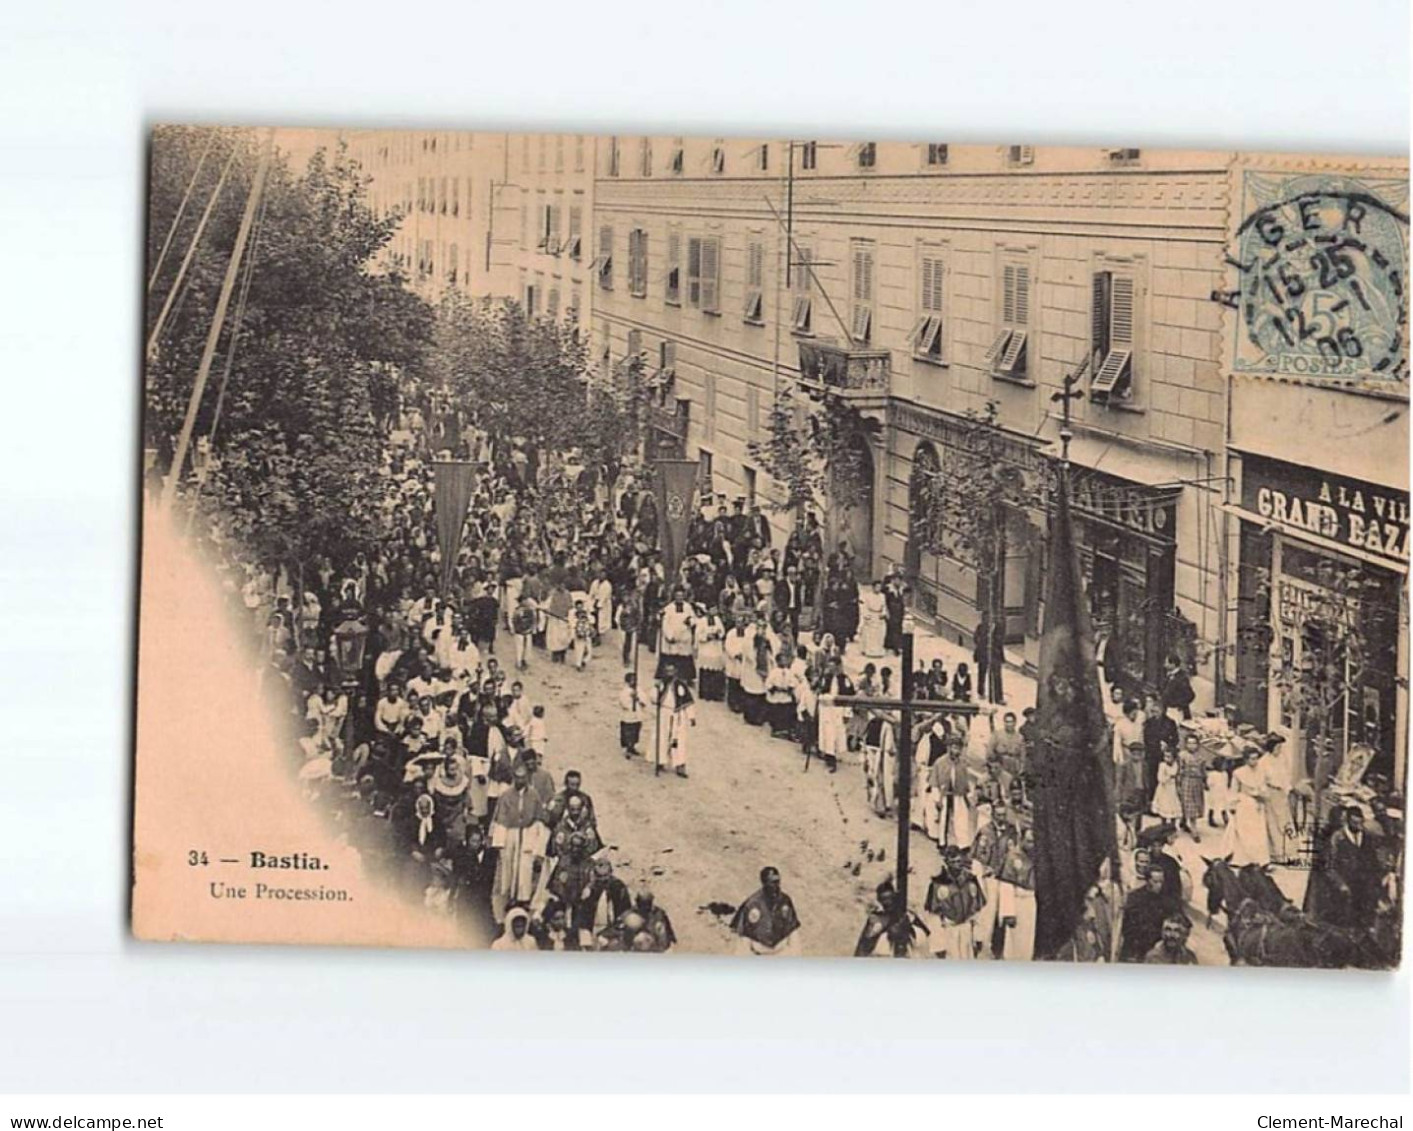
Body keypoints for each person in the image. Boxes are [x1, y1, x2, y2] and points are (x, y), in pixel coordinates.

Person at [488, 761, 547, 923]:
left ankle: (523, 901)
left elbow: (538, 819)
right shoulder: (506, 795)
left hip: (528, 833)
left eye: (523, 778)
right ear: (514, 778)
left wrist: (538, 846)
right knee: (508, 869)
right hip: (510, 834)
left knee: (525, 869)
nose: (520, 781)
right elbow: (500, 820)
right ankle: (509, 900)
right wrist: (500, 844)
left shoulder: (534, 795)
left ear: (527, 778)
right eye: (517, 778)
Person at [924, 848, 987, 960]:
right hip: (949, 930)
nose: (957, 865)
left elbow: (977, 912)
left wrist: (978, 937)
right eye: (953, 862)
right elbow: (934, 917)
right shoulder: (938, 884)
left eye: (959, 861)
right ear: (947, 863)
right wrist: (938, 945)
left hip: (966, 931)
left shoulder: (970, 881)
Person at [730, 866, 803, 957]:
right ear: (764, 883)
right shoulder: (752, 904)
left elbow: (793, 933)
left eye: (777, 882)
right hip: (759, 955)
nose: (775, 886)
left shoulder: (784, 901)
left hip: (781, 952)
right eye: (772, 882)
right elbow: (744, 939)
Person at [1222, 745, 1273, 867]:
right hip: (1244, 804)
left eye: (1256, 758)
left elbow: (1265, 786)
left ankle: (1261, 861)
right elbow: (1234, 790)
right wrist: (1232, 805)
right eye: (1251, 759)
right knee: (1244, 832)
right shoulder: (1238, 773)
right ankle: (1242, 859)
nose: (1254, 762)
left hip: (1258, 805)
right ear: (1245, 760)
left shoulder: (1262, 771)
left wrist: (1262, 794)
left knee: (1259, 833)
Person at [1119, 868, 1176, 963]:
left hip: (1157, 947)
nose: (1159, 885)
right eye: (1156, 882)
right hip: (1135, 948)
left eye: (1161, 882)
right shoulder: (1134, 897)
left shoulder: (1167, 900)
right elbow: (1127, 926)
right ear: (1147, 880)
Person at [997, 828, 1036, 960]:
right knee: (1016, 941)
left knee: (1030, 940)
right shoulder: (1013, 857)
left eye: (1034, 842)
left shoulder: (1038, 855)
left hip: (1032, 902)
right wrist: (1009, 913)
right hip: (1018, 902)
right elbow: (1006, 886)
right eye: (1029, 842)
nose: (1032, 845)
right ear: (1021, 839)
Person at [653, 663, 697, 778]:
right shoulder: (661, 684)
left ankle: (680, 765)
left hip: (678, 715)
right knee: (662, 738)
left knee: (678, 741)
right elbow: (653, 699)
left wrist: (691, 716)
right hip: (664, 713)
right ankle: (660, 761)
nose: (669, 674)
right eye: (667, 671)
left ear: (676, 672)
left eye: (671, 671)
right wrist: (655, 690)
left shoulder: (681, 685)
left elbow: (687, 701)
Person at [1141, 696, 1179, 811]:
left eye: (1157, 711)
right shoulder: (1149, 723)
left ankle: (1164, 806)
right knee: (1151, 780)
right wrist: (1155, 744)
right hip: (1152, 755)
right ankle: (1152, 805)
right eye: (1153, 711)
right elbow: (1146, 738)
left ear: (1163, 711)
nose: (1154, 714)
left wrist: (1168, 744)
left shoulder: (1170, 723)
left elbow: (1176, 739)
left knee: (1164, 781)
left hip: (1164, 757)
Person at [657, 587, 697, 682]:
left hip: (684, 636)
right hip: (672, 636)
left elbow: (693, 618)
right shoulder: (669, 608)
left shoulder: (688, 607)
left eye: (681, 596)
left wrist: (690, 621)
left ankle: (685, 676)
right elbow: (665, 623)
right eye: (677, 596)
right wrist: (669, 636)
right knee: (671, 657)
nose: (679, 598)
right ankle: (668, 676)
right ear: (674, 596)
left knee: (684, 656)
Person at [1176, 730, 1208, 840]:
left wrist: (1205, 782)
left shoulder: (1201, 757)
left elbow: (1203, 771)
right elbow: (1179, 770)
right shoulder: (1182, 756)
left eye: (1194, 743)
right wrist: (1178, 784)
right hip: (1186, 780)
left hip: (1197, 782)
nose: (1192, 745)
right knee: (1188, 804)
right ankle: (1194, 830)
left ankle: (1185, 821)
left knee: (1195, 804)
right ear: (1185, 744)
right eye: (1189, 743)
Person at [695, 606, 727, 701]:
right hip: (706, 649)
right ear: (707, 610)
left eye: (715, 610)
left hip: (716, 648)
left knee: (716, 672)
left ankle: (715, 694)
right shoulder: (701, 621)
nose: (714, 611)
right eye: (712, 609)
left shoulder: (717, 619)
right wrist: (707, 636)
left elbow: (722, 631)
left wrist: (718, 634)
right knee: (706, 672)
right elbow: (698, 635)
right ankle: (706, 693)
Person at [1152, 742, 1182, 826]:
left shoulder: (1175, 765)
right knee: (1164, 807)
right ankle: (1163, 826)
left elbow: (1176, 773)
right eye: (1165, 756)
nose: (1166, 758)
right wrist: (1169, 777)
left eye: (1169, 757)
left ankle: (1172, 826)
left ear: (1174, 758)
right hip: (1163, 789)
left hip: (1172, 789)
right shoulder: (1162, 766)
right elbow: (1160, 779)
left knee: (1173, 807)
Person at [618, 672, 645, 759]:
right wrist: (631, 699)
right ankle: (627, 749)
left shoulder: (639, 690)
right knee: (627, 733)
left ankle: (632, 747)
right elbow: (623, 703)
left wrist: (638, 698)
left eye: (635, 680)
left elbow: (644, 701)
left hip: (637, 715)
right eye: (632, 680)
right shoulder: (624, 691)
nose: (634, 682)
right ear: (627, 681)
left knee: (635, 732)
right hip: (628, 716)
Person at [1161, 656, 1196, 721]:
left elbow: (1190, 695)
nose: (1165, 665)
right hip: (1168, 710)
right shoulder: (1168, 675)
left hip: (1177, 712)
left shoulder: (1182, 678)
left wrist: (1178, 705)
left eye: (1167, 663)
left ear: (1173, 664)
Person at [510, 594, 536, 672]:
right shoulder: (517, 611)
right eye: (523, 600)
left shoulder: (530, 610)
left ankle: (525, 660)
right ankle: (519, 661)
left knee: (528, 647)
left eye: (526, 600)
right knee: (519, 647)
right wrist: (514, 629)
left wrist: (532, 629)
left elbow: (533, 620)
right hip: (519, 631)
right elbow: (514, 620)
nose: (525, 602)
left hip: (528, 631)